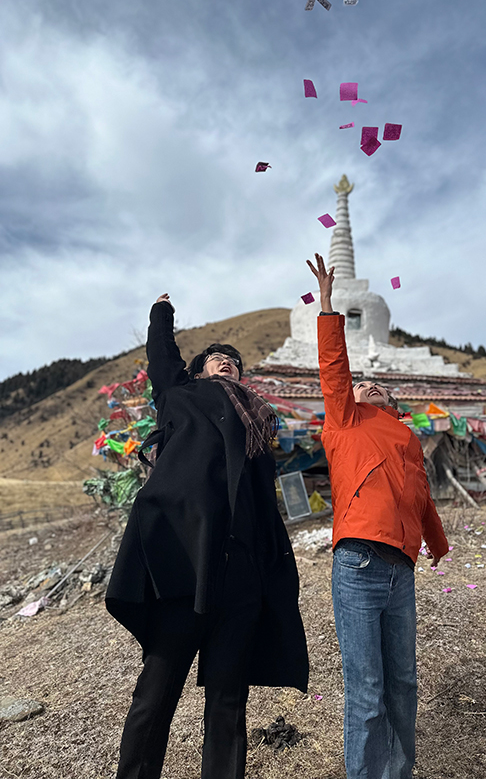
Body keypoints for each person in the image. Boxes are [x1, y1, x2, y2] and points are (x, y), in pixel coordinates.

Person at [106, 293, 308, 779]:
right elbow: (161, 355)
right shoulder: (179, 395)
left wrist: (266, 572)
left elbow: (263, 502)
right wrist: (161, 312)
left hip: (241, 575)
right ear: (197, 372)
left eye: (235, 362)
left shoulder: (257, 420)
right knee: (155, 694)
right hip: (184, 564)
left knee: (227, 700)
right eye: (217, 358)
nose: (228, 362)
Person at [307, 254, 449, 779]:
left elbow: (420, 495)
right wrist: (326, 305)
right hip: (360, 561)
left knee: (404, 683)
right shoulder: (344, 420)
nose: (365, 386)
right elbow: (335, 369)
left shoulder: (407, 437)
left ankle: (399, 773)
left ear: (392, 403)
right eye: (360, 386)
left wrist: (437, 543)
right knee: (366, 689)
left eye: (376, 387)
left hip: (400, 570)